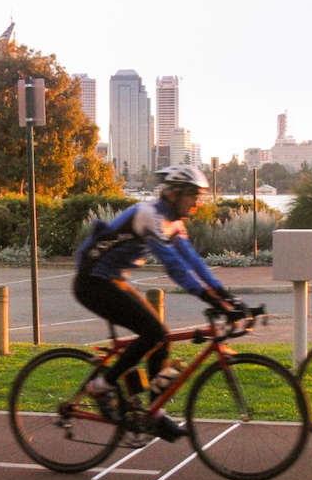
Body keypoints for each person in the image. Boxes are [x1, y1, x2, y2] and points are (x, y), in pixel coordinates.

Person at [73, 165, 237, 441]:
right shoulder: (150, 216)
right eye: (192, 196)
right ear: (174, 193)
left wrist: (223, 293)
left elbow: (193, 261)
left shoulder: (173, 222)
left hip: (112, 279)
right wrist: (207, 297)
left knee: (163, 337)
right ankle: (102, 385)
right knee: (154, 333)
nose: (196, 203)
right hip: (92, 281)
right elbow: (174, 267)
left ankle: (155, 413)